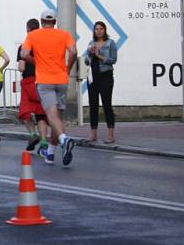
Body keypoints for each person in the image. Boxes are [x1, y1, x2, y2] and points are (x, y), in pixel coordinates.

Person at [20, 9, 78, 167]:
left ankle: (64, 139)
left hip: (45, 81)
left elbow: (24, 54)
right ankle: (51, 153)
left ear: (41, 21)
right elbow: (73, 51)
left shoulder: (33, 35)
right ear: (54, 21)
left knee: (51, 116)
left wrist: (36, 61)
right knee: (58, 118)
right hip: (62, 80)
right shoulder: (64, 34)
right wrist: (68, 67)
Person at [17, 19, 50, 156]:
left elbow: (21, 67)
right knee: (41, 114)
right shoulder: (45, 46)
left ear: (27, 30)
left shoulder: (24, 46)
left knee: (24, 112)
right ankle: (43, 144)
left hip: (28, 83)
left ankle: (32, 133)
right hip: (42, 81)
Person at [84, 20, 117, 144]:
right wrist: (90, 54)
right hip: (93, 77)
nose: (99, 31)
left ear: (105, 30)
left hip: (106, 77)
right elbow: (87, 62)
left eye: (101, 29)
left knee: (107, 105)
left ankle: (110, 135)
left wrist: (99, 56)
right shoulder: (91, 43)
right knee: (93, 106)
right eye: (96, 29)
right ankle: (93, 134)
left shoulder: (110, 43)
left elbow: (113, 60)